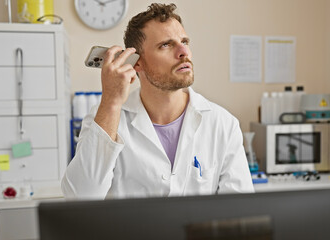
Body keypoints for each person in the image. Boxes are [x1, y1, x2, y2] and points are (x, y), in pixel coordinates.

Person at [62, 3, 254, 199]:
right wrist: (111, 103)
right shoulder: (105, 117)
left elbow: (241, 212)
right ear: (137, 62)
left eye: (185, 42)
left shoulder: (223, 124)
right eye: (166, 45)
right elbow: (80, 197)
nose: (183, 52)